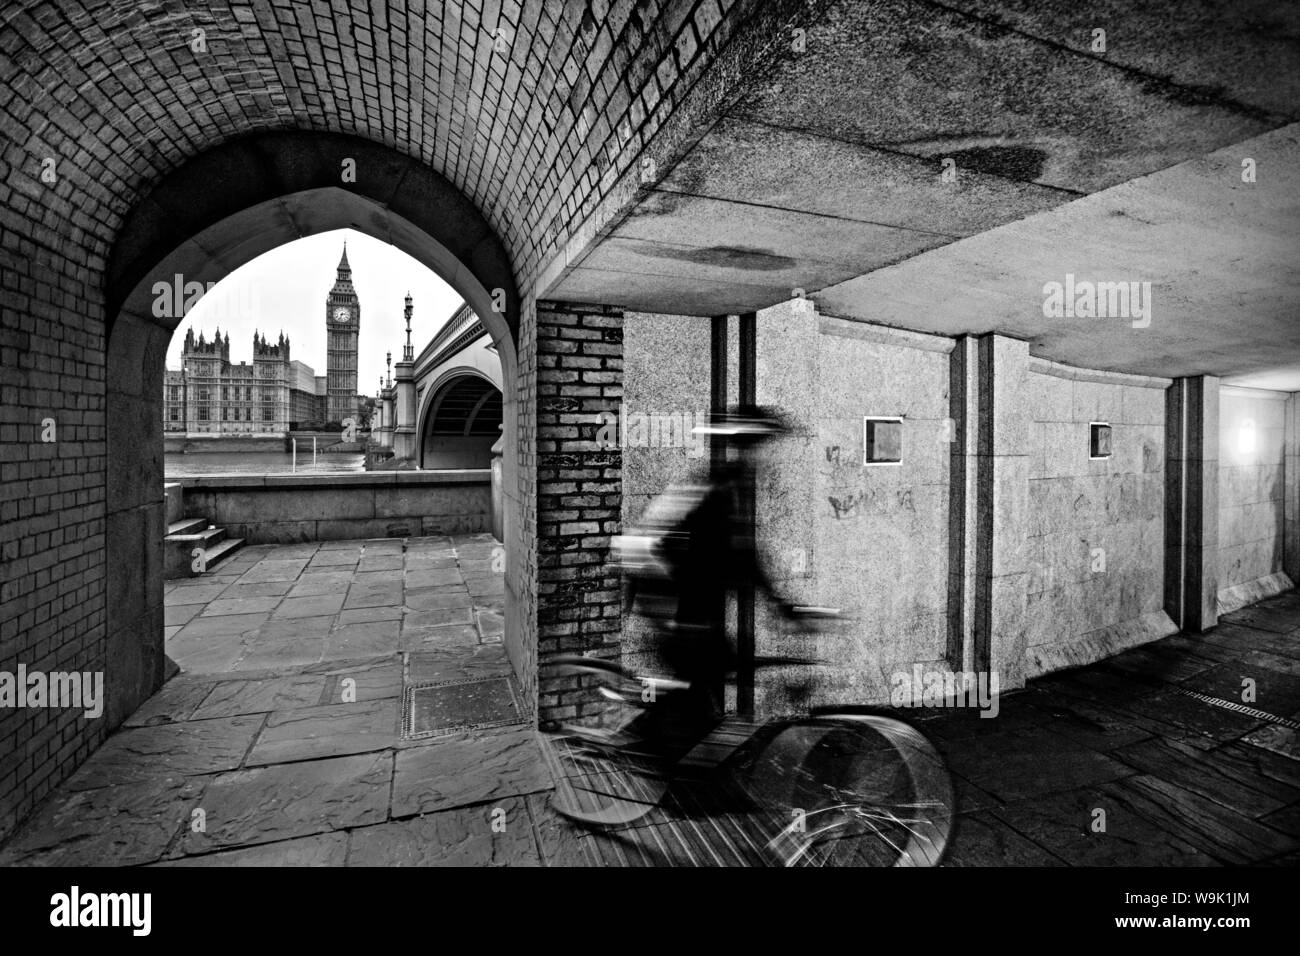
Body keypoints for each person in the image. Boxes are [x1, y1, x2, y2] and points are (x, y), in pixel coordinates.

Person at [613, 404, 806, 762]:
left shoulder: (729, 483)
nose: (772, 456)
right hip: (678, 607)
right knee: (697, 688)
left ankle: (666, 746)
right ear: (752, 445)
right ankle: (641, 748)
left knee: (702, 689)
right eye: (767, 445)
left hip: (690, 607)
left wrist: (780, 606)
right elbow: (735, 558)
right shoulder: (719, 489)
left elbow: (742, 557)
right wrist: (781, 607)